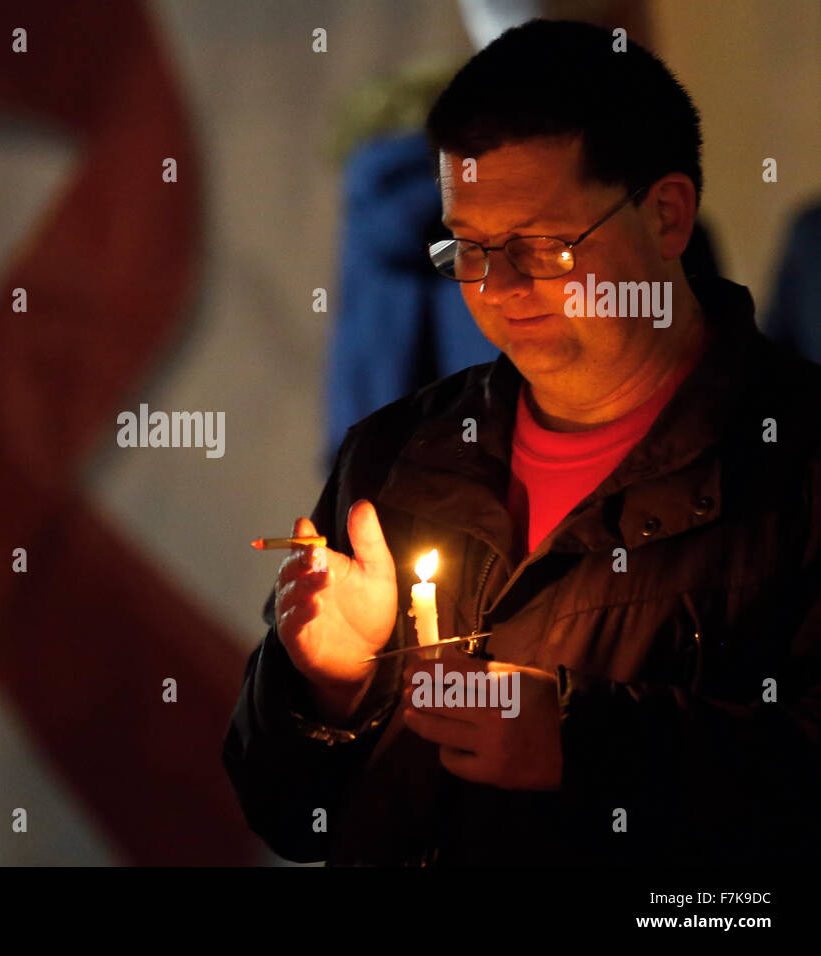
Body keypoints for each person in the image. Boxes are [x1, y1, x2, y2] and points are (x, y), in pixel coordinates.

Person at [222, 19, 821, 866]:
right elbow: (285, 811)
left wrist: (588, 744)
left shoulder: (792, 464)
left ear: (667, 215)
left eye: (541, 246)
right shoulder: (399, 456)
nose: (499, 289)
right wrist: (327, 681)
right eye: (467, 248)